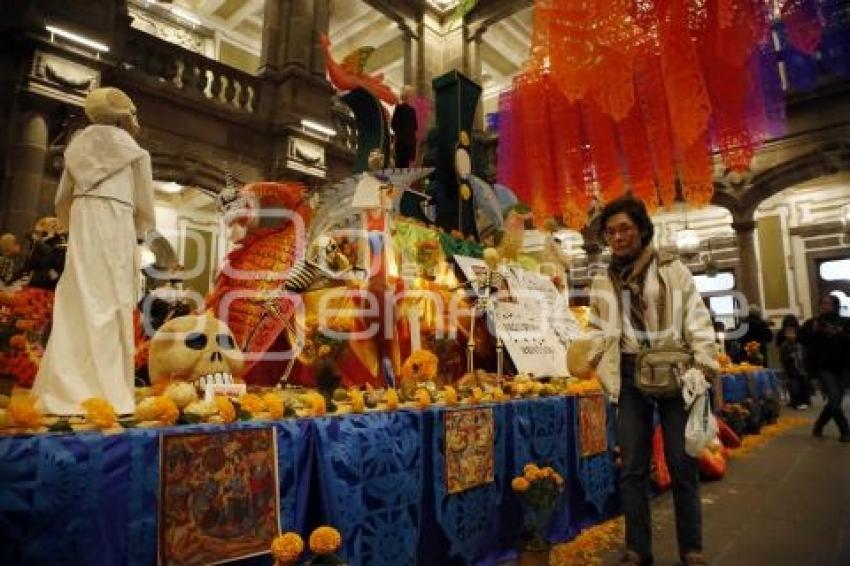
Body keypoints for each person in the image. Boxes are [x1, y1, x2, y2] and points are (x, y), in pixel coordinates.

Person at [579, 196, 718, 565]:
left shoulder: (672, 269)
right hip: (627, 374)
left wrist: (704, 362)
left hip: (674, 369)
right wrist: (585, 353)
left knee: (682, 462)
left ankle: (692, 548)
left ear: (641, 229)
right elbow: (597, 327)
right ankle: (638, 549)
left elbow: (696, 315)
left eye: (625, 228)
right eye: (610, 231)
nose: (618, 236)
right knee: (633, 466)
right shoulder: (602, 278)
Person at [32, 87, 155, 415]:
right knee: (113, 300)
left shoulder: (76, 147)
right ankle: (108, 391)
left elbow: (62, 199)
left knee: (77, 299)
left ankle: (65, 389)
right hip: (117, 224)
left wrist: (71, 225)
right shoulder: (135, 152)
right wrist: (140, 231)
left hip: (84, 221)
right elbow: (144, 203)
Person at [799, 294, 850, 442]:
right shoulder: (813, 323)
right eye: (822, 303)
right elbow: (803, 339)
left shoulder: (845, 322)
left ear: (835, 305)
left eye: (828, 303)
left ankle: (819, 425)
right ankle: (845, 431)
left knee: (835, 401)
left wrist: (839, 333)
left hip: (843, 366)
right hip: (823, 367)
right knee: (834, 397)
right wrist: (813, 331)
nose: (824, 306)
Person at [775, 314, 810, 410]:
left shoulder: (781, 333)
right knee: (802, 382)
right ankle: (804, 400)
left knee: (792, 382)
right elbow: (806, 345)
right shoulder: (800, 331)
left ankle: (796, 400)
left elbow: (778, 345)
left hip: (790, 364)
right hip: (800, 363)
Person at [390, 85, 418, 168]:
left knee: (399, 167)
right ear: (410, 96)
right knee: (405, 168)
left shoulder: (399, 108)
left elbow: (393, 125)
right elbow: (415, 127)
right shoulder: (412, 111)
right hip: (410, 145)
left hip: (401, 144)